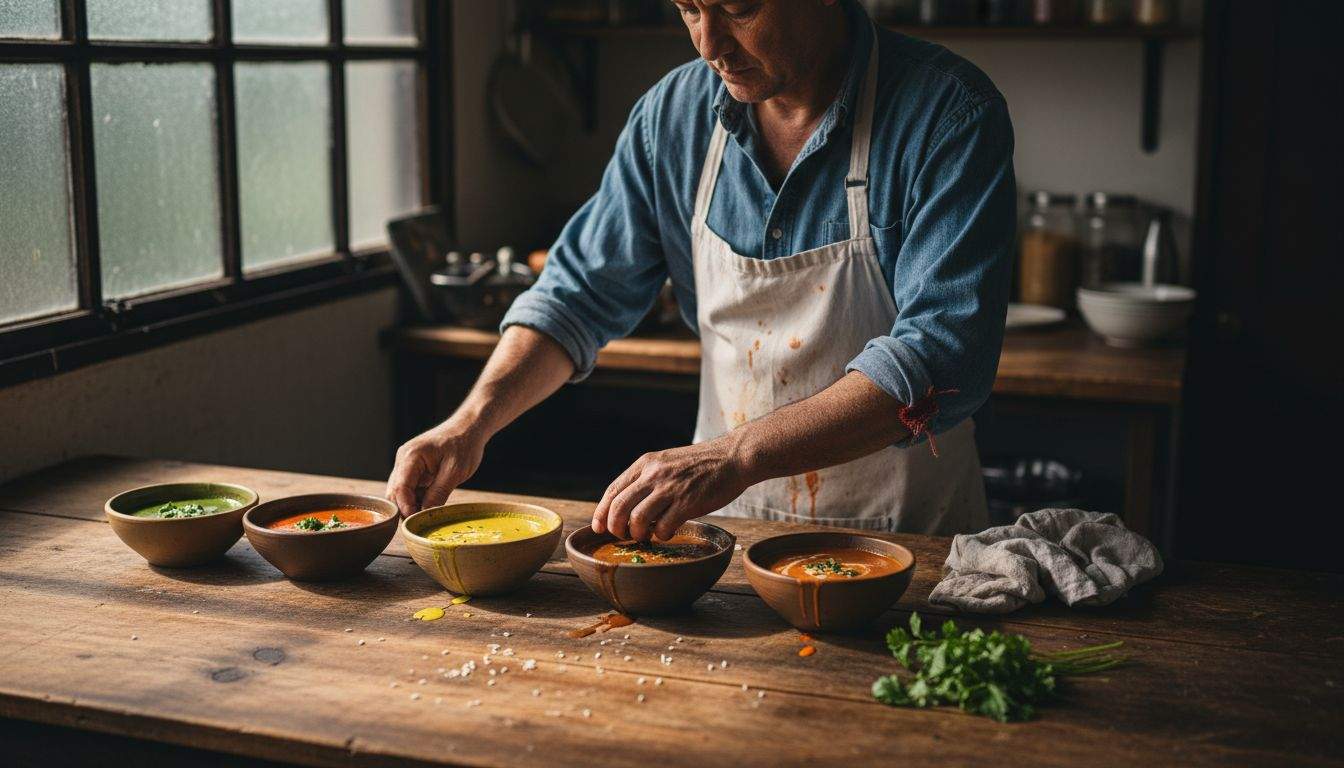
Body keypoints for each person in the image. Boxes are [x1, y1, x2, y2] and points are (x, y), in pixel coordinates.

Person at [387, 0, 1015, 540]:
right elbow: (574, 297)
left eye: (740, 9)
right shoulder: (672, 119)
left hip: (907, 549)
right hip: (723, 536)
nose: (710, 44)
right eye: (689, 8)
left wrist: (734, 455)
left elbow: (941, 357)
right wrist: (468, 425)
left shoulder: (949, 114)